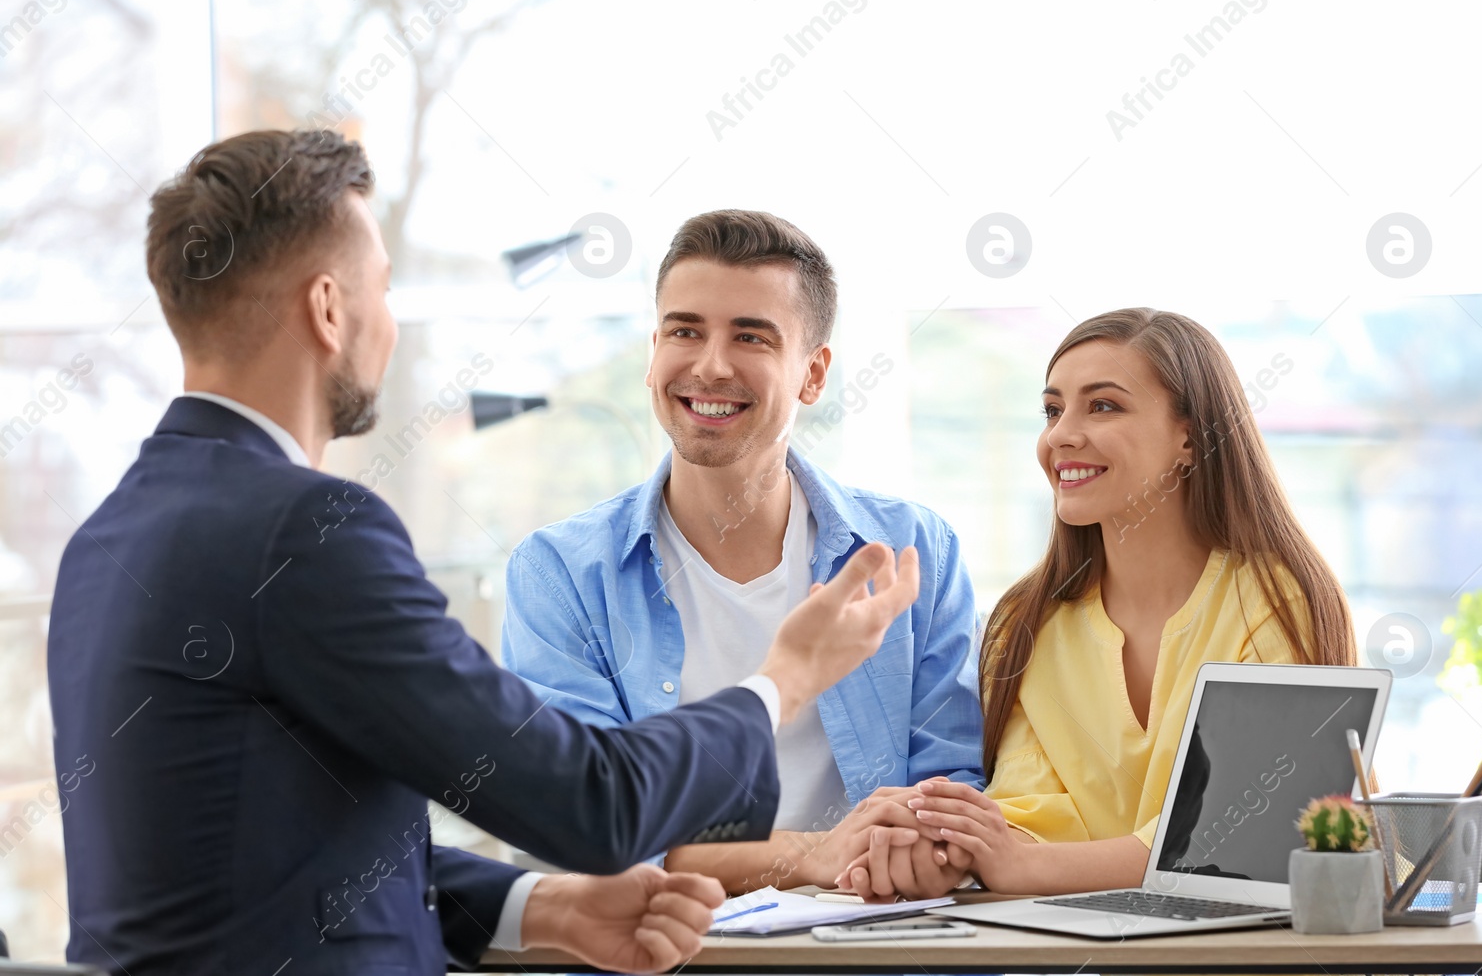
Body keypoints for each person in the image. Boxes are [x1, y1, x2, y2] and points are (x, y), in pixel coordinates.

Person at [46, 130, 921, 975]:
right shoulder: (310, 533)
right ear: (326, 308)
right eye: (382, 291)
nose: (388, 327)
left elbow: (267, 857)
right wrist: (785, 680)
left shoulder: (112, 534)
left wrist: (536, 909)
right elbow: (593, 804)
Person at [501, 210, 982, 899]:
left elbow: (955, 796)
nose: (710, 364)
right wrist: (814, 852)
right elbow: (585, 828)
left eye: (750, 336)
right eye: (684, 330)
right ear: (653, 351)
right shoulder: (559, 574)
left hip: (872, 948)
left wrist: (924, 848)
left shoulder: (915, 551)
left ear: (813, 374)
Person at [838, 307, 1356, 899]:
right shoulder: (1027, 621)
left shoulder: (1278, 600)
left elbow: (1239, 835)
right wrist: (950, 849)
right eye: (1053, 410)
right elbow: (1030, 820)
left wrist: (1018, 865)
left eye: (1103, 405)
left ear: (1189, 436)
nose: (1060, 435)